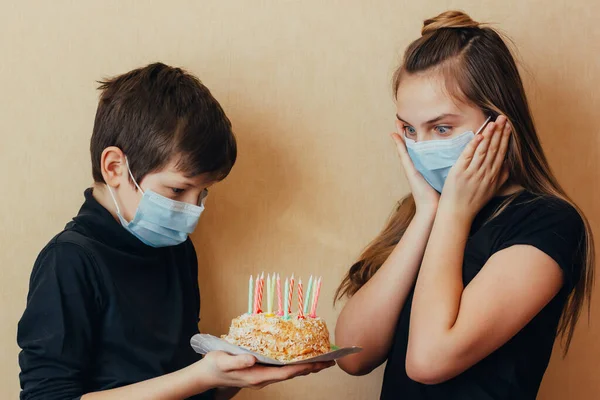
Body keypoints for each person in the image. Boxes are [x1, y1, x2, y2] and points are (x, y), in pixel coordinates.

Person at [17, 62, 333, 400]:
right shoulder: (69, 261)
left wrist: (234, 376)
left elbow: (184, 383)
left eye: (203, 194)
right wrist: (201, 376)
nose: (194, 212)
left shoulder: (176, 248)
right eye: (178, 191)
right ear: (114, 168)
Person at [334, 10, 595, 400]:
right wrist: (427, 213)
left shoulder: (548, 224)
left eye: (441, 128)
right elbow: (353, 355)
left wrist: (454, 213)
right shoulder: (421, 210)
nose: (421, 147)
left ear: (498, 121)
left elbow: (428, 360)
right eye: (409, 129)